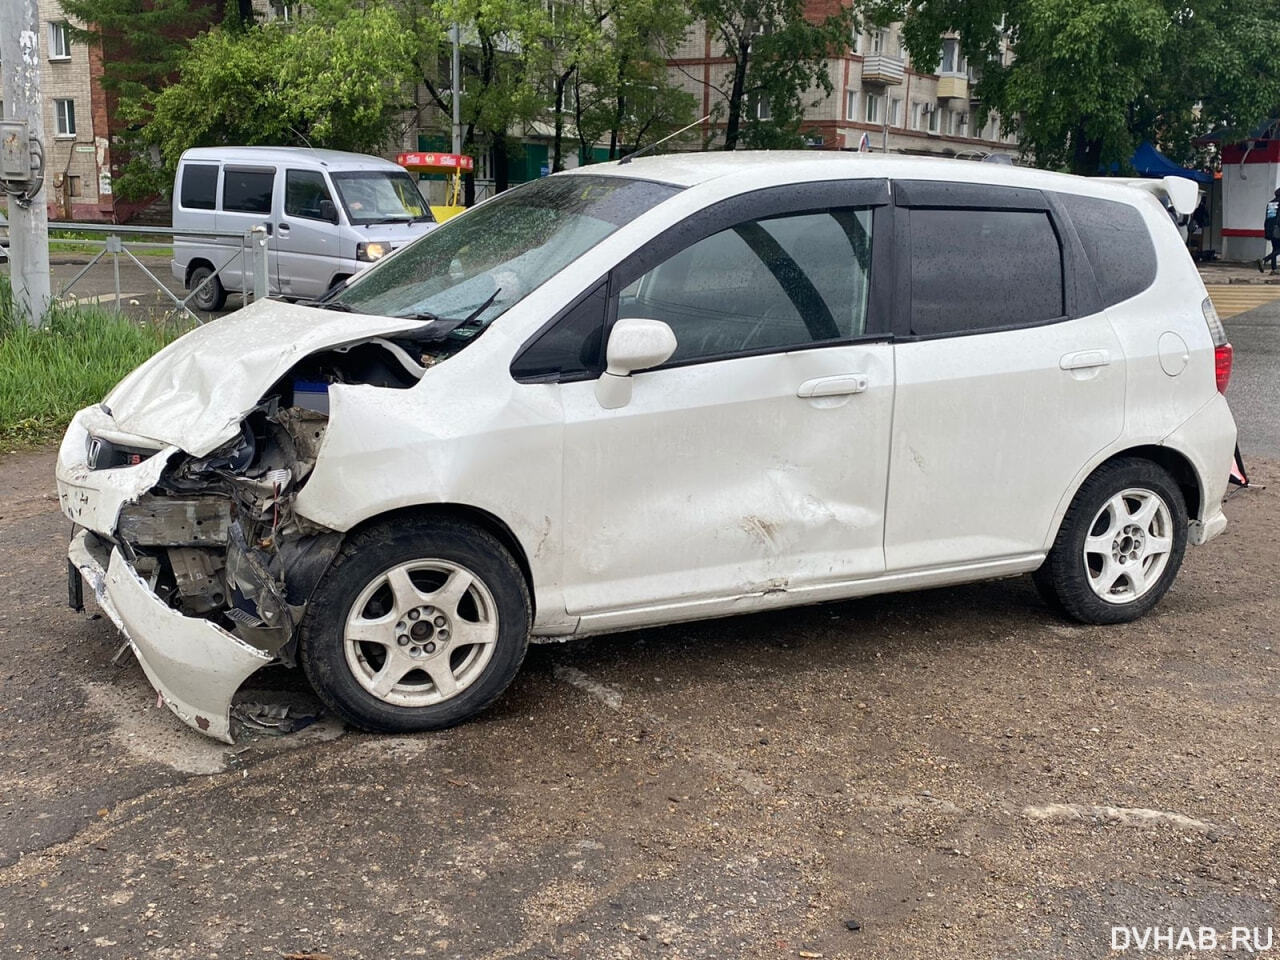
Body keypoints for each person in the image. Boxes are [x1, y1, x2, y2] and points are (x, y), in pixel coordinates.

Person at [1256, 187, 1280, 274]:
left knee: (1275, 249)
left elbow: (1268, 218)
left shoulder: (1271, 203)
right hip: (1278, 230)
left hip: (1270, 229)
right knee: (1278, 249)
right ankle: (1264, 260)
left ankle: (1274, 269)